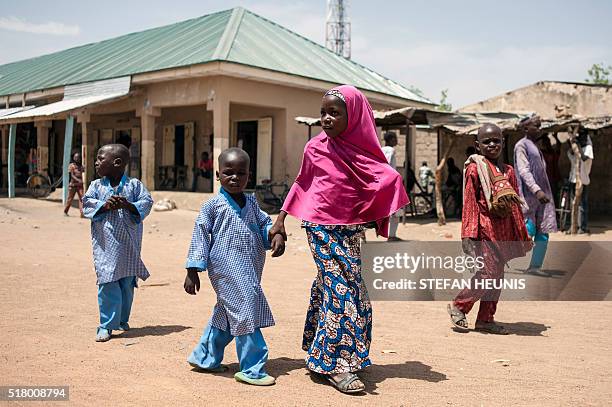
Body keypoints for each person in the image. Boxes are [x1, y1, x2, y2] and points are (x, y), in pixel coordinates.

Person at [268, 85, 409, 393]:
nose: (326, 119)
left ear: (354, 115)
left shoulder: (363, 151)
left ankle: (321, 355)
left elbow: (381, 178)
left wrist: (382, 200)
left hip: (351, 230)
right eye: (323, 113)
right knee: (342, 291)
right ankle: (338, 366)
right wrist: (280, 220)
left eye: (334, 113)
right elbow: (302, 183)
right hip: (319, 227)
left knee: (347, 288)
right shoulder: (315, 147)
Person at [184, 147, 285, 386]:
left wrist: (276, 237)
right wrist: (192, 270)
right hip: (224, 269)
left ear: (248, 176)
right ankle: (253, 368)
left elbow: (265, 228)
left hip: (249, 267)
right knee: (245, 312)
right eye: (229, 173)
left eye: (241, 173)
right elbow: (200, 235)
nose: (235, 178)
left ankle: (204, 358)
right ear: (218, 175)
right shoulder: (213, 205)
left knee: (227, 314)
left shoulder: (252, 203)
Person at [447, 124, 532, 335]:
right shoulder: (475, 169)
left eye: (496, 140)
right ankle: (460, 305)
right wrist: (468, 234)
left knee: (497, 277)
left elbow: (514, 207)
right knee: (487, 273)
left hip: (503, 233)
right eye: (487, 141)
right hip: (484, 231)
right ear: (478, 145)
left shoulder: (509, 171)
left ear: (503, 143)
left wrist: (521, 233)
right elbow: (470, 203)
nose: (492, 144)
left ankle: (486, 319)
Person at [82, 144, 153, 342]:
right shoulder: (96, 186)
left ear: (117, 163)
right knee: (107, 281)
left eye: (100, 158)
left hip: (128, 246)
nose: (96, 162)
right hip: (105, 245)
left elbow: (146, 203)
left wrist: (128, 205)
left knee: (126, 284)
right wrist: (104, 206)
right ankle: (106, 325)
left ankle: (122, 319)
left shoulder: (134, 185)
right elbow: (86, 205)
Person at [513, 116, 557, 276]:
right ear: (525, 129)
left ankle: (535, 267)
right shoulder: (521, 146)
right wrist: (536, 190)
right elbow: (524, 171)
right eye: (536, 126)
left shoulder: (534, 146)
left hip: (542, 199)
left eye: (540, 126)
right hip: (530, 197)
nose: (539, 129)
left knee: (543, 232)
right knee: (527, 231)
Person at [566, 128, 594, 234]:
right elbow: (570, 152)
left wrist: (577, 145)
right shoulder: (576, 149)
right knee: (574, 204)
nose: (580, 138)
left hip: (583, 180)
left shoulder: (588, 148)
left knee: (582, 205)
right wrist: (574, 143)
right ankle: (574, 226)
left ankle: (583, 227)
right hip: (573, 179)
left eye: (582, 136)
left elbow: (584, 158)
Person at [382, 131, 403, 241]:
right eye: (395, 138)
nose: (396, 140)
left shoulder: (380, 149)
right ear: (390, 139)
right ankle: (392, 235)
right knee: (396, 210)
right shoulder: (390, 150)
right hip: (391, 183)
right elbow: (388, 165)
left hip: (382, 183)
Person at [539, 133, 562, 204]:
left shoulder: (552, 153)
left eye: (547, 142)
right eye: (545, 143)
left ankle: (555, 214)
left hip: (553, 179)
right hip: (545, 179)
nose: (547, 144)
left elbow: (559, 146)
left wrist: (556, 137)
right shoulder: (541, 153)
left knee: (554, 198)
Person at [64, 152, 85, 217]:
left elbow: (83, 174)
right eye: (75, 157)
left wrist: (83, 181)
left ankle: (82, 213)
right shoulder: (71, 166)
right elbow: (72, 175)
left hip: (80, 186)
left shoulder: (81, 166)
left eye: (78, 157)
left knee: (82, 199)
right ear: (73, 158)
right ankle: (65, 211)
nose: (77, 159)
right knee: (70, 199)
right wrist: (78, 180)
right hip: (73, 185)